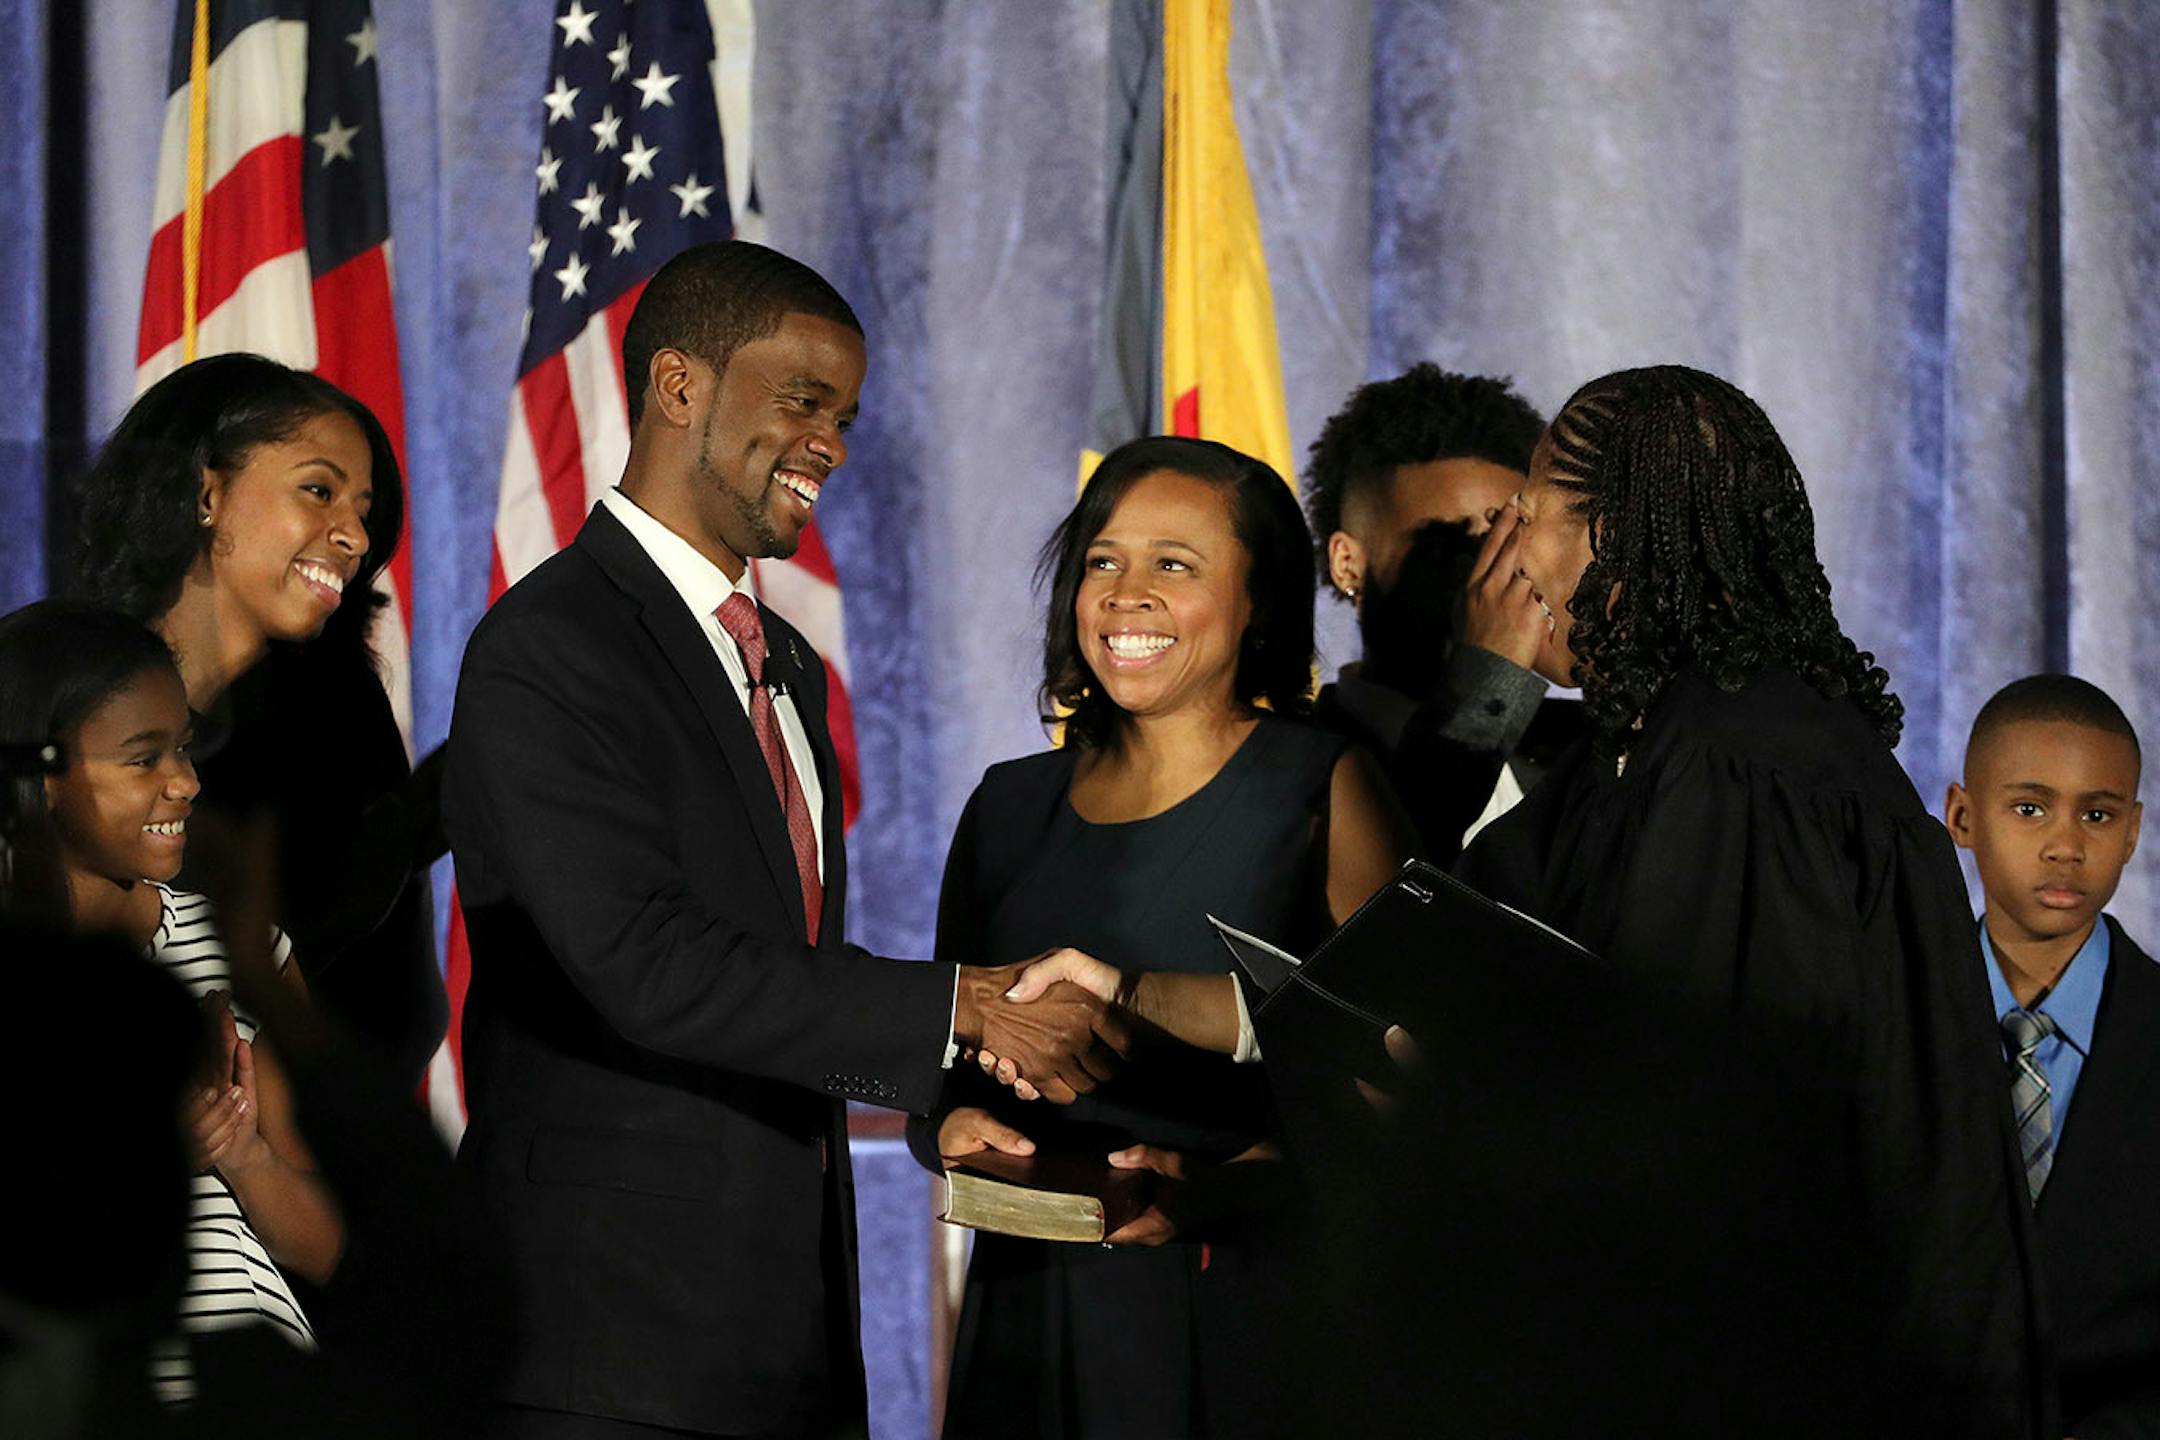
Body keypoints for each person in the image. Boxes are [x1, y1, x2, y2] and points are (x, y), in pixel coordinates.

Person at [442, 240, 1127, 1440]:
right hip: (601, 1347)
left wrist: (947, 1086)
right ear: (677, 387)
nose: (833, 445)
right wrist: (962, 1006)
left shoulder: (786, 664)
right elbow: (649, 963)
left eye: (847, 415)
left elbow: (774, 974)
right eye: (804, 400)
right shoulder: (548, 645)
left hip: (780, 1335)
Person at [905, 435, 1416, 1439]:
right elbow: (940, 1053)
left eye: (1174, 565)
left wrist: (1234, 1186)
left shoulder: (1326, 787)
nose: (1127, 593)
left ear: (1259, 598)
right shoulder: (1007, 805)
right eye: (1105, 560)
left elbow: (1404, 1074)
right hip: (1028, 1306)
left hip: (1242, 1311)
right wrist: (944, 1134)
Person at [68, 353, 444, 1088]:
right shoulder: (57, 684)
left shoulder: (345, 719)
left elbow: (392, 1010)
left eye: (363, 512)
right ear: (206, 491)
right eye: (318, 491)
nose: (356, 538)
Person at [0, 601, 343, 1406]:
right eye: (142, 759)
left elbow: (337, 1246)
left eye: (183, 749)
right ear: (44, 777)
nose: (185, 784)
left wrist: (242, 1152)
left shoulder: (245, 954)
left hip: (254, 1401)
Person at [1945, 675, 2160, 1437]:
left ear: (2132, 832)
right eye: (2029, 808)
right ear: (1963, 816)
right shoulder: (1882, 1019)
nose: (2066, 845)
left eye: (2097, 815)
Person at [1303, 365, 1582, 863]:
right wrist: (1488, 685)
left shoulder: (1585, 744)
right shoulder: (1296, 763)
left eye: (1506, 543)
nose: (1486, 577)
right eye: (1447, 549)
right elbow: (1400, 891)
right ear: (1349, 563)